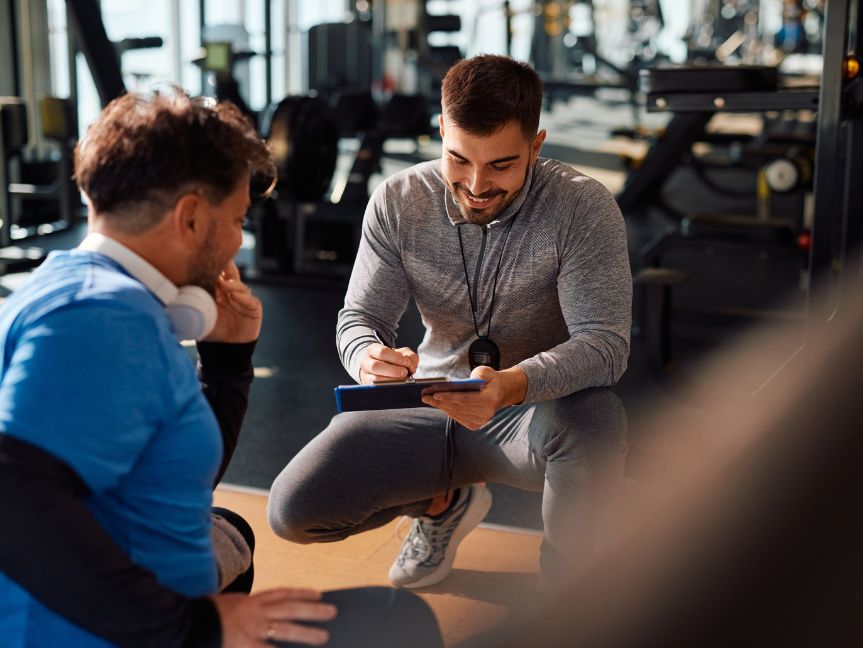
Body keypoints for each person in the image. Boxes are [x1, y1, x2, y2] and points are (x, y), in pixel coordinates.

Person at [0, 90, 442, 647]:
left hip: (142, 604)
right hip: (111, 633)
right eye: (237, 220)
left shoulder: (73, 286)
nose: (237, 240)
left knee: (230, 535)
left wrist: (227, 365)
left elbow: (177, 481)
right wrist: (197, 626)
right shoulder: (101, 318)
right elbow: (12, 492)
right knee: (397, 622)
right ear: (190, 217)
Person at [268, 55, 631, 590]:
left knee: (596, 422)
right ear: (441, 130)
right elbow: (360, 318)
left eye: (502, 165)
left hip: (530, 414)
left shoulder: (581, 207)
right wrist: (367, 356)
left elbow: (605, 345)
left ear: (536, 146)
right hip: (430, 401)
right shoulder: (399, 200)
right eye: (459, 159)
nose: (477, 185)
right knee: (295, 510)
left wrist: (511, 385)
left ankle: (566, 596)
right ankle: (442, 504)